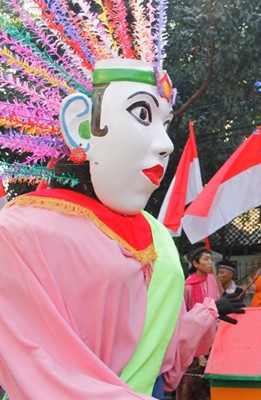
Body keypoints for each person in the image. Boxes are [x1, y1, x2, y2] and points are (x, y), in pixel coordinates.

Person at [0, 4, 244, 396]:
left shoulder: (158, 237)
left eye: (165, 123)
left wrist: (208, 313)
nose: (165, 144)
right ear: (81, 126)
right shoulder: (19, 234)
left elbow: (161, 353)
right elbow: (41, 367)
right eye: (141, 115)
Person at [177, 246, 222, 400]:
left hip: (213, 337)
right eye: (206, 259)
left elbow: (216, 305)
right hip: (193, 342)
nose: (210, 263)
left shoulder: (212, 280)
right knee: (190, 386)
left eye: (211, 259)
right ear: (196, 264)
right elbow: (186, 317)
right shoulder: (187, 286)